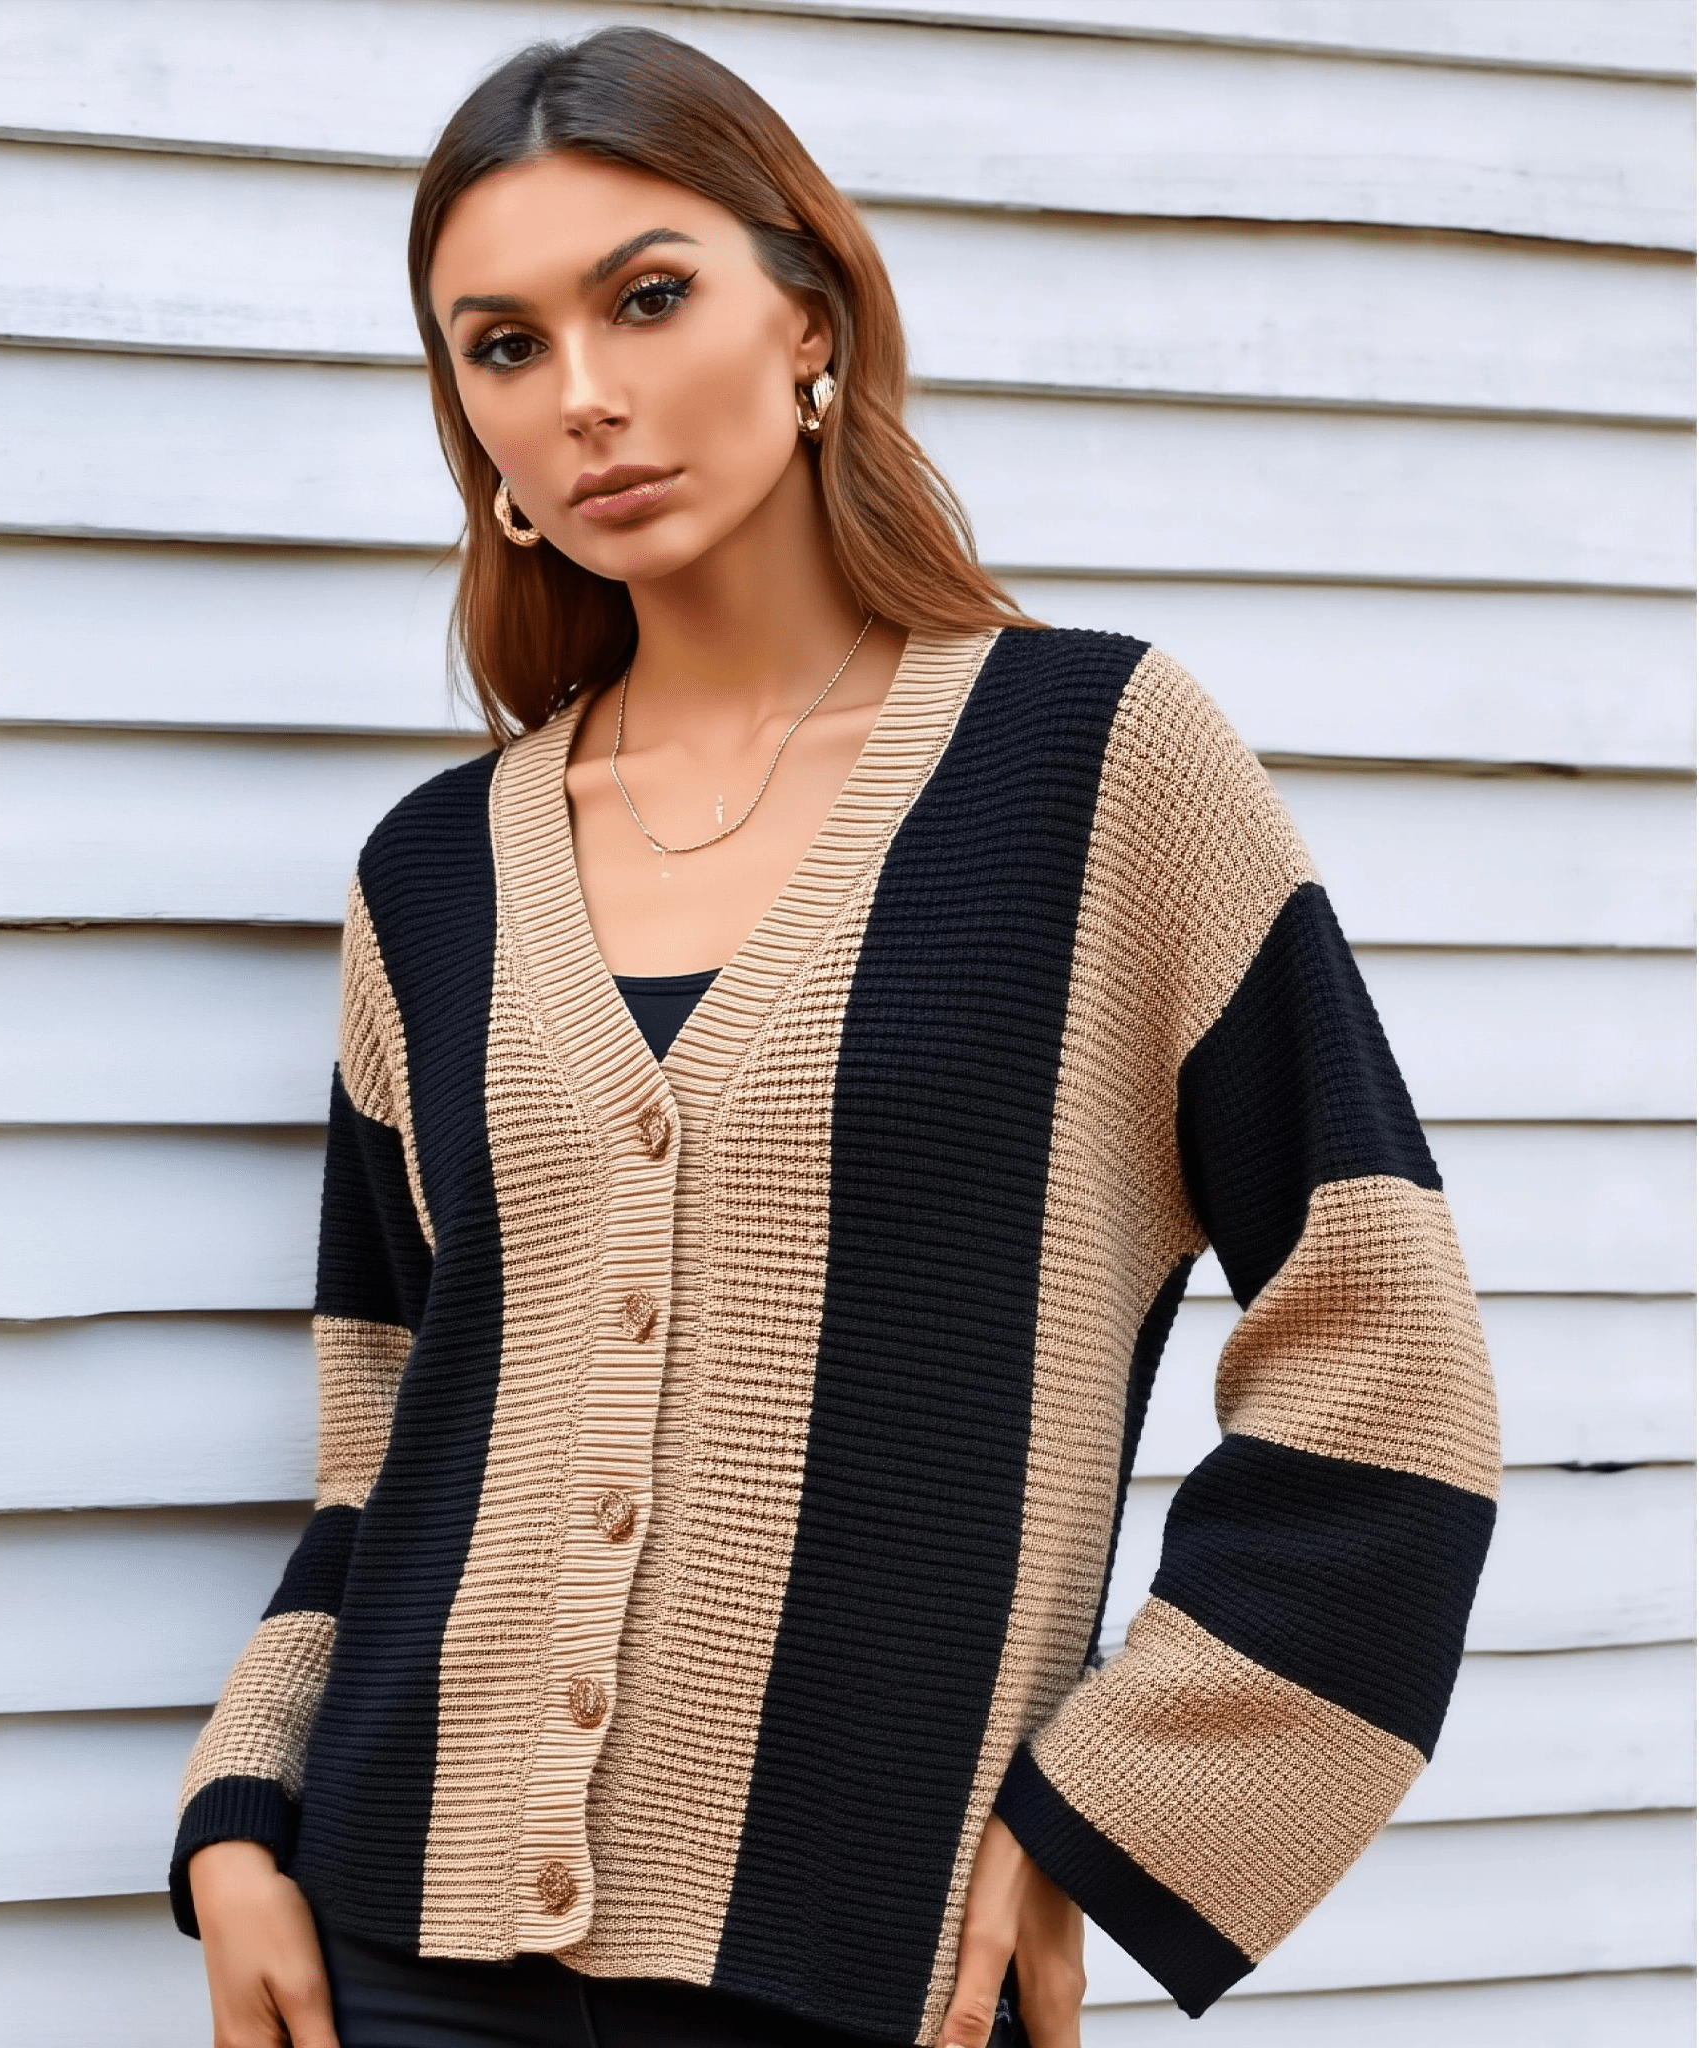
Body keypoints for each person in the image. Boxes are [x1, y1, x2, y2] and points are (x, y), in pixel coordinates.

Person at [167, 28, 1500, 2048]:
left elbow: (1389, 1365)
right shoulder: (433, 875)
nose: (582, 392)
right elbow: (386, 1438)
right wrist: (239, 1813)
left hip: (872, 1963)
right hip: (391, 1941)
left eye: (646, 297)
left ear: (810, 319)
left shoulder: (1092, 768)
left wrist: (1098, 1816)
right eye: (502, 346)